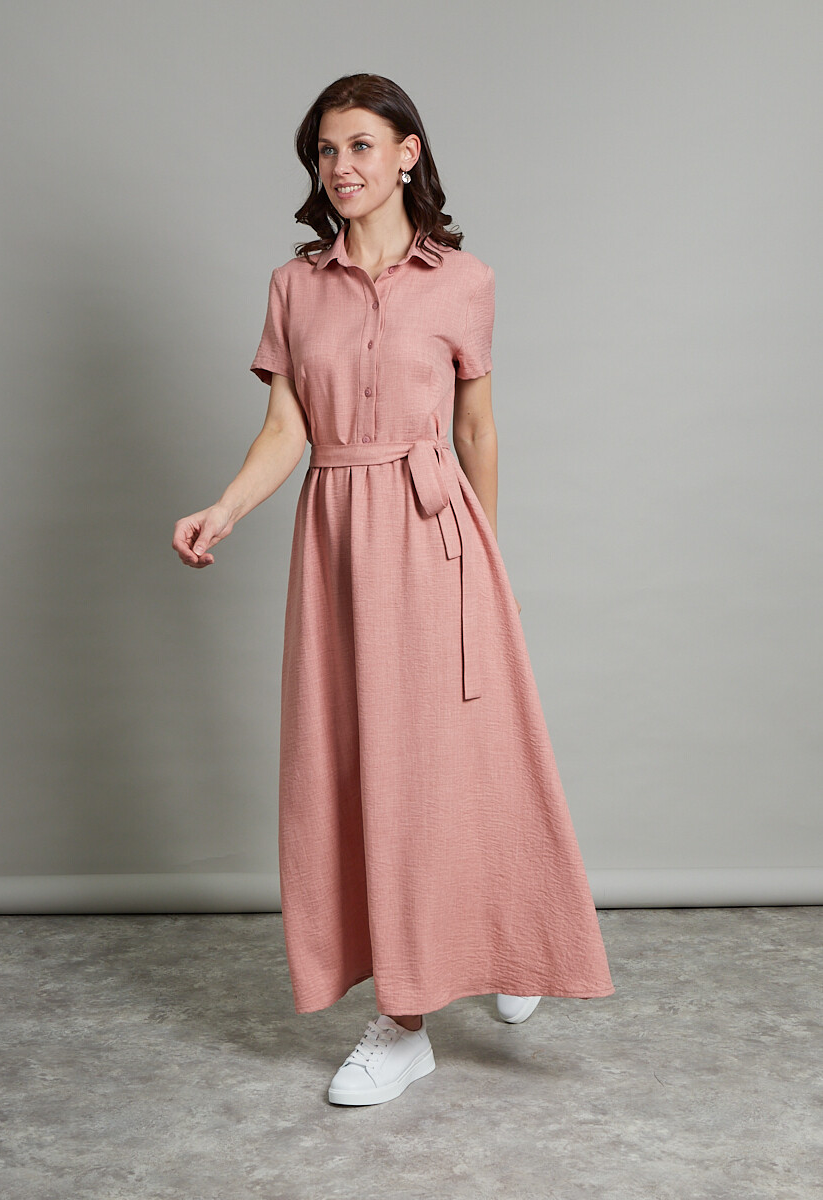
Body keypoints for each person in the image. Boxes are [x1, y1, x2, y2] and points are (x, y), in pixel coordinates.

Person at [172, 72, 614, 1107]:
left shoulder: (465, 280)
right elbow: (288, 429)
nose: (342, 168)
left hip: (436, 536)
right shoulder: (295, 286)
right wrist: (225, 508)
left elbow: (477, 431)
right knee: (366, 767)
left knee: (460, 763)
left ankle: (475, 967)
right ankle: (418, 1008)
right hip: (336, 541)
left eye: (361, 146)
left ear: (408, 154)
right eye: (326, 152)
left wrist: (486, 567)